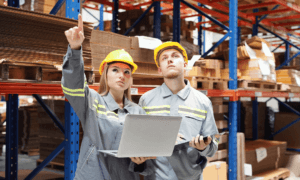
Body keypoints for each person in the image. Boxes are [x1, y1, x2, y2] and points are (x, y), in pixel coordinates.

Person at [62, 14, 154, 180]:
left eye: (127, 72)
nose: (122, 75)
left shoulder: (138, 112)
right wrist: (75, 50)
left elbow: (144, 162)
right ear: (105, 74)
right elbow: (73, 86)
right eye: (115, 70)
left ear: (131, 79)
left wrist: (140, 162)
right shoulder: (93, 102)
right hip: (93, 175)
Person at [138, 42, 219, 180]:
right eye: (164, 58)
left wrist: (203, 147)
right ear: (159, 70)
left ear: (185, 64)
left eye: (175, 56)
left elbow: (213, 147)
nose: (169, 60)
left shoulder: (203, 102)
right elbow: (138, 141)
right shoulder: (146, 101)